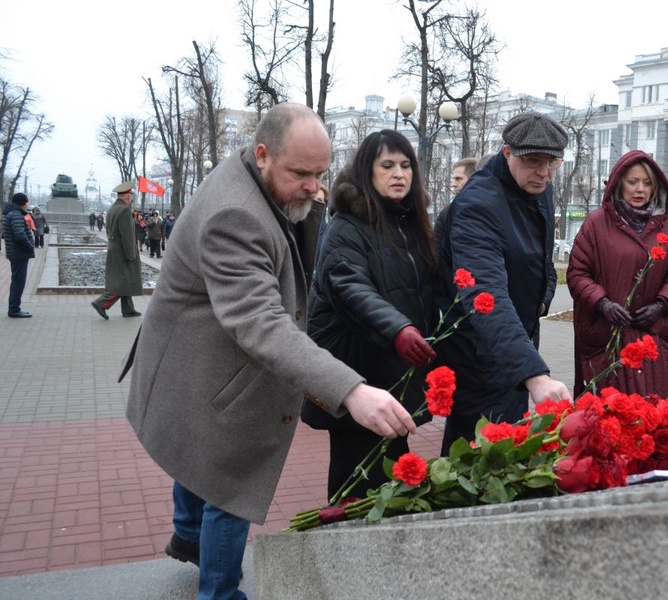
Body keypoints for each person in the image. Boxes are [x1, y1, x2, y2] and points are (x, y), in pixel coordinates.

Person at [122, 104, 416, 600]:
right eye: (300, 174)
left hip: (200, 354)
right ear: (262, 155)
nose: (313, 187)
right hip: (208, 362)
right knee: (234, 478)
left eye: (320, 173)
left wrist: (310, 197)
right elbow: (261, 321)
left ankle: (188, 535)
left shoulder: (255, 177)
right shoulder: (234, 213)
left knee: (201, 457)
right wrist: (351, 390)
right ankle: (220, 591)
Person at [302, 130, 437, 499]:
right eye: (388, 165)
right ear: (367, 172)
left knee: (390, 472)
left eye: (406, 165)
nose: (399, 174)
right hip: (355, 370)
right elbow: (349, 286)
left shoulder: (410, 224)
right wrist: (400, 330)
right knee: (357, 481)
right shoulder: (347, 226)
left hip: (391, 369)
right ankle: (342, 548)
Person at [434, 112, 571, 454]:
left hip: (515, 345)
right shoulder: (478, 205)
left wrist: (543, 295)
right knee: (475, 463)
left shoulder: (537, 186)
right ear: (507, 153)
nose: (544, 172)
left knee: (509, 456)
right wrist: (536, 376)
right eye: (533, 161)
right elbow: (485, 295)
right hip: (480, 354)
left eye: (553, 163)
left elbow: (540, 257)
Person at [567, 150, 668, 398]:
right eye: (633, 182)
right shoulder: (596, 223)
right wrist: (602, 303)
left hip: (649, 334)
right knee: (607, 415)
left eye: (647, 183)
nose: (640, 189)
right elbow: (577, 273)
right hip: (607, 335)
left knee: (650, 414)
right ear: (619, 182)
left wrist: (662, 305)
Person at [90, 182, 143, 320]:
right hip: (123, 251)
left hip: (114, 249)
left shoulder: (113, 208)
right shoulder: (124, 210)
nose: (131, 197)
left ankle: (128, 309)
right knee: (121, 281)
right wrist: (131, 254)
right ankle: (101, 303)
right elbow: (127, 235)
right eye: (131, 195)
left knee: (126, 279)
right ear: (127, 196)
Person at [2, 192, 36, 318]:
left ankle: (14, 307)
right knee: (19, 282)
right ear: (22, 203)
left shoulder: (10, 213)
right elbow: (19, 235)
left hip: (15, 253)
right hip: (19, 253)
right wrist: (30, 246)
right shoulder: (16, 214)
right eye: (26, 203)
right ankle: (14, 309)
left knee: (16, 280)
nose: (27, 206)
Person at [435, 157, 478, 244]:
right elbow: (436, 250)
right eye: (453, 179)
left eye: (458, 179)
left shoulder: (492, 209)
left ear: (473, 179)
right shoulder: (446, 214)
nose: (453, 184)